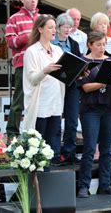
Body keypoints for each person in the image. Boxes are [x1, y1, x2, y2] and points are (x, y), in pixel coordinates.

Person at [76, 31, 111, 198]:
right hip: (91, 109)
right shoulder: (84, 62)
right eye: (98, 44)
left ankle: (105, 184)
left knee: (106, 149)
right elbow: (85, 87)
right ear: (90, 45)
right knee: (90, 147)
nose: (102, 47)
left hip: (110, 107)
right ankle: (84, 185)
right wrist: (103, 82)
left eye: (104, 44)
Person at [22, 15, 65, 165]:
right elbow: (32, 79)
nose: (54, 31)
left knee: (53, 139)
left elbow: (64, 74)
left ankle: (50, 170)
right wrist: (45, 70)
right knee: (39, 140)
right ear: (40, 29)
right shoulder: (32, 51)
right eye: (50, 27)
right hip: (40, 103)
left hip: (55, 101)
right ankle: (38, 172)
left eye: (55, 27)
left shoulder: (58, 50)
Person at [5, 0, 40, 142]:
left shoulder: (43, 18)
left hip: (41, 65)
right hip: (23, 65)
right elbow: (10, 42)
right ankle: (12, 134)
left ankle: (36, 133)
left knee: (40, 100)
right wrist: (28, 36)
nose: (33, 0)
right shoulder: (14, 19)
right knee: (19, 100)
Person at [51, 13, 82, 165]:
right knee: (56, 119)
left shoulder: (74, 43)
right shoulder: (51, 43)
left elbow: (79, 61)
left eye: (70, 27)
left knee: (72, 121)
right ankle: (55, 153)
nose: (68, 30)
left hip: (71, 84)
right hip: (55, 84)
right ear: (58, 28)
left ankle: (70, 152)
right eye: (65, 27)